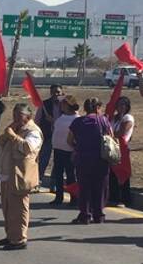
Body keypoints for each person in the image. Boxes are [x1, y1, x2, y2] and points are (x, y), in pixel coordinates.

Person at [0, 102, 43, 249]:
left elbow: (27, 148)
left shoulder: (33, 131)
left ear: (28, 116)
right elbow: (0, 144)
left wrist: (14, 136)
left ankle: (19, 239)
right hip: (7, 173)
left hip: (21, 175)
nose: (16, 118)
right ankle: (11, 235)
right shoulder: (16, 128)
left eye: (19, 115)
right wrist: (5, 136)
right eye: (14, 115)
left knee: (19, 208)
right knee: (8, 208)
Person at [68, 97, 113, 225]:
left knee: (84, 188)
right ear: (98, 108)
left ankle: (85, 215)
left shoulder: (77, 122)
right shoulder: (103, 121)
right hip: (101, 160)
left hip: (82, 159)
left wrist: (78, 147)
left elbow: (69, 140)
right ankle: (99, 215)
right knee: (100, 187)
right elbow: (111, 138)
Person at [35, 84, 64, 190]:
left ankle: (53, 184)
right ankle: (37, 181)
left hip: (61, 137)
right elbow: (37, 120)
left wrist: (54, 121)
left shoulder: (66, 105)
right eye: (53, 92)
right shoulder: (44, 105)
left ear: (61, 93)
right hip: (47, 136)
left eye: (58, 92)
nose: (56, 94)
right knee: (43, 159)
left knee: (58, 162)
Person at [51, 95, 79, 206]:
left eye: (63, 103)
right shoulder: (61, 117)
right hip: (58, 150)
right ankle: (59, 197)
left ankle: (74, 198)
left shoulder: (76, 119)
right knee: (58, 174)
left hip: (69, 151)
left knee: (70, 175)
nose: (61, 106)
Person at [108, 95, 135, 205]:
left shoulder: (128, 118)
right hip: (112, 147)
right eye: (119, 104)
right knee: (112, 173)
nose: (121, 107)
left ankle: (125, 198)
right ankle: (114, 197)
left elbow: (121, 132)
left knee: (123, 172)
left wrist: (110, 134)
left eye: (123, 104)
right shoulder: (113, 118)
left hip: (122, 148)